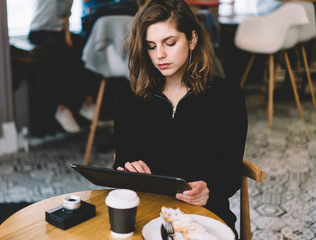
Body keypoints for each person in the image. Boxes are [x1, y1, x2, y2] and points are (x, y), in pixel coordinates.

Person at [112, 0, 248, 237]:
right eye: (150, 46)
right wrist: (128, 171)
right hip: (146, 210)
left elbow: (230, 174)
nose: (159, 55)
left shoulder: (228, 96)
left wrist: (209, 190)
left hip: (205, 214)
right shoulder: (130, 95)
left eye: (170, 43)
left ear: (192, 39)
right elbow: (121, 161)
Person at [28, 0, 100, 133]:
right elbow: (62, 10)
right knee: (63, 54)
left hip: (59, 32)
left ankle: (87, 101)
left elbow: (66, 15)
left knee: (88, 47)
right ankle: (61, 107)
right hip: (40, 31)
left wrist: (67, 34)